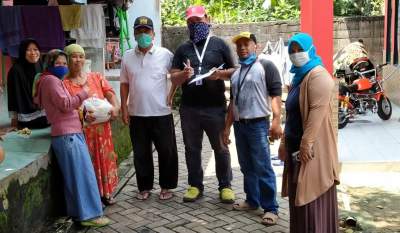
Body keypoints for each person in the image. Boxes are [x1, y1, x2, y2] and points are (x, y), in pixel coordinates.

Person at [33, 49, 110, 227]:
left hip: (69, 133)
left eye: (63, 63)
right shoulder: (51, 81)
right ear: (49, 64)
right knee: (82, 176)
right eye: (57, 63)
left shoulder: (48, 80)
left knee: (76, 177)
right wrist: (83, 92)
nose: (62, 66)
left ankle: (79, 213)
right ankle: (89, 216)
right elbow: (66, 105)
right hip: (68, 134)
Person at [170, 5, 236, 203]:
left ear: (207, 19)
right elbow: (173, 78)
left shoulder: (220, 45)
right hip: (189, 108)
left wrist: (220, 75)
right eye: (191, 22)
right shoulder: (182, 49)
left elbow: (235, 70)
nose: (195, 25)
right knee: (192, 149)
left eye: (198, 21)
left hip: (215, 108)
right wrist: (183, 74)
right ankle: (195, 185)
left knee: (221, 147)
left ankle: (225, 186)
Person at [278, 33, 339, 233]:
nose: (296, 54)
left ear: (310, 50)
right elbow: (293, 114)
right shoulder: (299, 77)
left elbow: (317, 111)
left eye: (300, 50)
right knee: (300, 202)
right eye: (292, 51)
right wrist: (284, 142)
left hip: (312, 152)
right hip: (297, 151)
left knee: (312, 199)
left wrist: (306, 143)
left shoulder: (318, 75)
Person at [223, 32, 283, 225]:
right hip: (240, 126)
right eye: (239, 45)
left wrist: (276, 120)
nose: (242, 48)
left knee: (263, 167)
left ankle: (271, 208)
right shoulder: (236, 72)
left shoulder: (266, 66)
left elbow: (275, 94)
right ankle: (252, 200)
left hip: (258, 124)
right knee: (246, 165)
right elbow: (233, 102)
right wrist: (227, 128)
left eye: (246, 44)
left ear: (256, 46)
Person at [120, 16, 178, 200]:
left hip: (161, 112)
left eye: (146, 31)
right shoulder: (127, 56)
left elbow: (176, 77)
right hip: (137, 113)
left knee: (166, 151)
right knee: (140, 153)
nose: (143, 34)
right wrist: (123, 107)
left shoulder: (166, 54)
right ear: (134, 34)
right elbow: (124, 84)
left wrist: (171, 94)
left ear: (153, 34)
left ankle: (166, 187)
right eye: (139, 31)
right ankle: (144, 187)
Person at [63, 44, 119, 206]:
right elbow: (66, 107)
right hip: (82, 132)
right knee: (88, 164)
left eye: (80, 56)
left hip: (103, 132)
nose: (78, 60)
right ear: (67, 60)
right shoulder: (64, 84)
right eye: (74, 56)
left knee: (105, 160)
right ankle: (94, 197)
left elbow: (110, 93)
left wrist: (115, 107)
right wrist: (82, 115)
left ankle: (106, 193)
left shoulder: (96, 77)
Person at [7, 38, 49, 129]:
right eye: (28, 50)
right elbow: (13, 96)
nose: (33, 53)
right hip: (26, 117)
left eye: (35, 49)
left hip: (44, 114)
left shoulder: (41, 64)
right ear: (22, 52)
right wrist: (14, 120)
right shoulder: (16, 70)